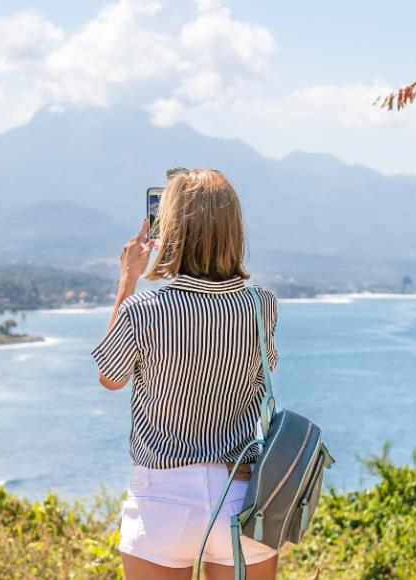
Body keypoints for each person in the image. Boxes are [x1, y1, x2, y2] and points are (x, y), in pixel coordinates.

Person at [91, 169, 279, 580]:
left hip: (162, 497)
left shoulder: (146, 310)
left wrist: (127, 281)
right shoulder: (262, 304)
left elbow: (110, 375)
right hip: (242, 492)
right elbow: (261, 378)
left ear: (172, 228)